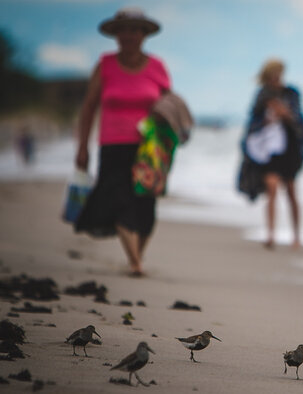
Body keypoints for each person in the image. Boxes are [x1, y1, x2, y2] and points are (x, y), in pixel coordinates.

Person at [73, 7, 170, 276]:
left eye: (134, 29)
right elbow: (89, 108)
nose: (128, 35)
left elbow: (168, 109)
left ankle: (136, 255)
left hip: (148, 149)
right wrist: (82, 147)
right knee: (118, 201)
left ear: (144, 34)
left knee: (145, 206)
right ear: (115, 34)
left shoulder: (157, 67)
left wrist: (168, 146)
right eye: (123, 30)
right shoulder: (105, 65)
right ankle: (135, 262)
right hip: (113, 146)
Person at [238, 59, 303, 250]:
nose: (277, 76)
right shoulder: (262, 96)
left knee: (292, 191)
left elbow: (299, 121)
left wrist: (285, 115)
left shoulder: (291, 94)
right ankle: (271, 234)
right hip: (268, 150)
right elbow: (253, 123)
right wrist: (267, 122)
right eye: (274, 72)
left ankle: (297, 236)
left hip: (290, 148)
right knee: (271, 188)